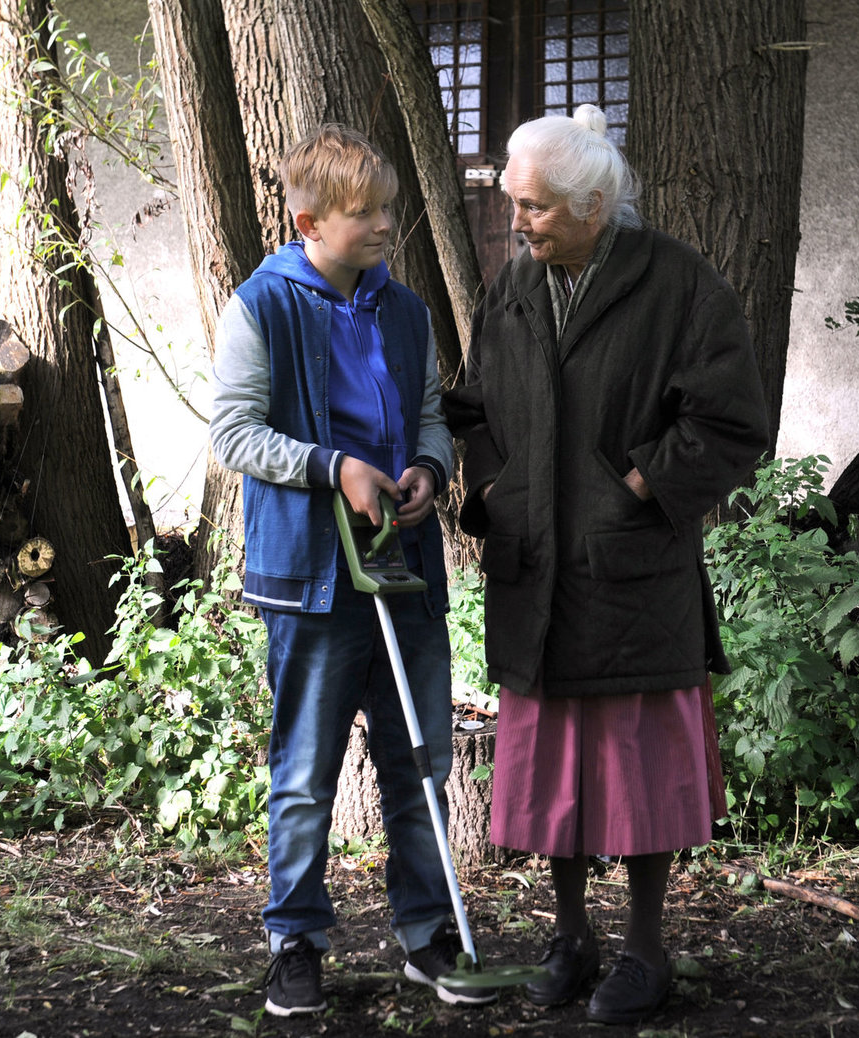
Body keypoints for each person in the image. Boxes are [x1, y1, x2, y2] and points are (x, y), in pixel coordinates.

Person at [444, 104, 769, 1025]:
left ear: (593, 206)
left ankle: (646, 949)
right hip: (535, 566)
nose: (517, 222)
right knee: (556, 777)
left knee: (638, 779)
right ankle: (570, 937)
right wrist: (492, 488)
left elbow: (732, 420)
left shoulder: (679, 284)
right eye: (514, 203)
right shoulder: (514, 286)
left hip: (632, 572)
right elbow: (477, 407)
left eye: (536, 207)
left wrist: (638, 485)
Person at [210, 124, 494, 1016]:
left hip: (403, 568)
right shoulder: (261, 306)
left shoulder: (404, 311)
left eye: (386, 209)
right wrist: (336, 469)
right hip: (310, 578)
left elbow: (429, 419)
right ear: (309, 222)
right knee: (305, 774)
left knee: (422, 762)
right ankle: (294, 943)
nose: (382, 226)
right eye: (364, 213)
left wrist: (427, 471)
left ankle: (427, 936)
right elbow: (234, 435)